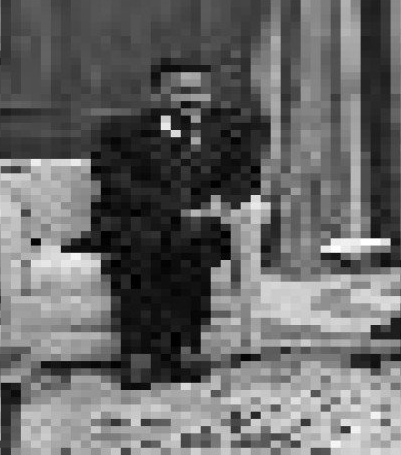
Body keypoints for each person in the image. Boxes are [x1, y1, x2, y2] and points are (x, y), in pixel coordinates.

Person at [84, 59, 269, 388]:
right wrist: (175, 211)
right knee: (137, 245)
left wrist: (220, 203)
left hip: (201, 223)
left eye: (198, 91)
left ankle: (185, 348)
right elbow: (115, 182)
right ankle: (138, 353)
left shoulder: (233, 130)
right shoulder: (121, 132)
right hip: (137, 219)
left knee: (192, 242)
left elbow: (245, 178)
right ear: (157, 95)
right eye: (180, 91)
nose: (191, 98)